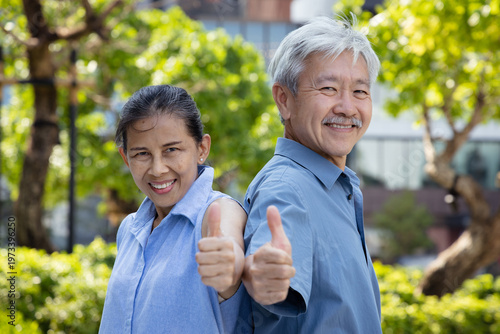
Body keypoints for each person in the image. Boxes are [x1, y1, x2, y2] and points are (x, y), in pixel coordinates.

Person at [241, 16, 383, 333]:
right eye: (328, 88)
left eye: (360, 91)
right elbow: (270, 268)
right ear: (284, 100)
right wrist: (265, 274)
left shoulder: (336, 185)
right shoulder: (287, 188)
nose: (347, 107)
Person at [99, 85, 250, 333]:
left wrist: (228, 264)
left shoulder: (218, 212)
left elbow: (229, 250)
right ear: (126, 158)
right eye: (141, 154)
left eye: (171, 150)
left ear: (202, 149)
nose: (158, 169)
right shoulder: (130, 227)